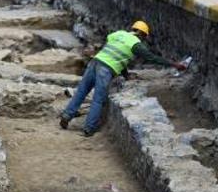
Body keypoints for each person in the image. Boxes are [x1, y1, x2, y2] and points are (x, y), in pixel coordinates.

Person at [59, 21, 187, 137]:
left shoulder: (119, 34)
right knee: (98, 99)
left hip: (95, 62)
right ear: (142, 34)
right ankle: (89, 128)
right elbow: (152, 58)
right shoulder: (136, 45)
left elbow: (118, 56)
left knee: (81, 91)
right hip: (106, 69)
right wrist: (175, 65)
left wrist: (126, 75)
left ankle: (66, 115)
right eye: (144, 37)